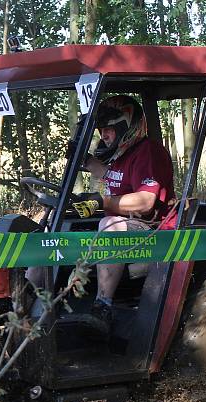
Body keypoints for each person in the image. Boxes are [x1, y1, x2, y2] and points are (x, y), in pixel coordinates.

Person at [71, 95, 178, 338]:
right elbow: (110, 175)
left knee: (109, 225)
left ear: (126, 127)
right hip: (130, 228)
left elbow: (145, 201)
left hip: (153, 232)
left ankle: (103, 307)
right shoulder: (121, 155)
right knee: (53, 229)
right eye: (101, 130)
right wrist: (84, 160)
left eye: (108, 129)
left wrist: (102, 202)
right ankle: (33, 303)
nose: (104, 135)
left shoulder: (148, 152)